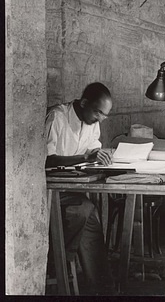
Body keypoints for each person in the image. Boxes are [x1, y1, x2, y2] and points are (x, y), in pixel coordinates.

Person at [45, 82, 115, 295]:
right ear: (83, 103)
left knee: (90, 212)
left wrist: (102, 156)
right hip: (51, 189)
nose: (100, 118)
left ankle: (101, 288)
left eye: (104, 115)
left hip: (72, 185)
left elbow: (94, 147)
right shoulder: (57, 117)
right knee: (83, 209)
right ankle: (58, 262)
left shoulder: (92, 120)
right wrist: (85, 157)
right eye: (98, 112)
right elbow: (46, 159)